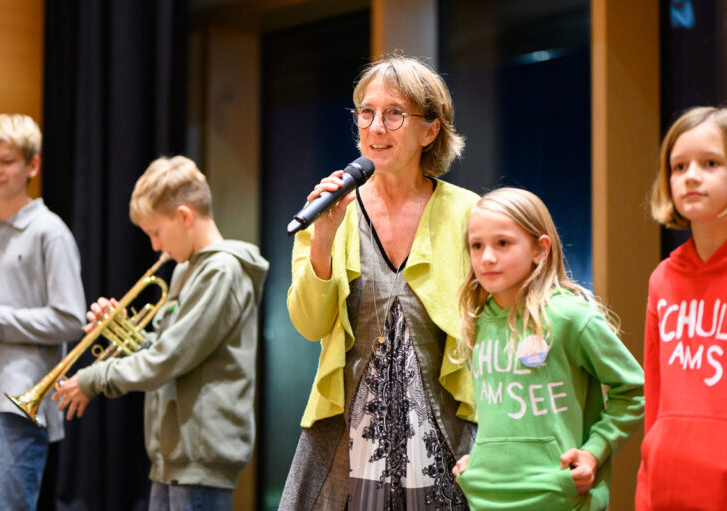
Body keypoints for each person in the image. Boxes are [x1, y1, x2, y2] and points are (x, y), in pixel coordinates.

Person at [280, 54, 478, 510]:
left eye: (394, 114)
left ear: (430, 130)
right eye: (366, 113)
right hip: (352, 441)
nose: (375, 127)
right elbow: (310, 325)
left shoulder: (468, 213)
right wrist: (324, 239)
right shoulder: (330, 209)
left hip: (445, 441)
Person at [52, 155, 268, 510]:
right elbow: (167, 346)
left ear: (184, 216)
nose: (154, 246)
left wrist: (93, 378)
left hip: (199, 457)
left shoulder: (222, 272)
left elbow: (168, 360)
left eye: (155, 232)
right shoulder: (186, 271)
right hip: (172, 456)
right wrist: (119, 331)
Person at [451, 187, 644, 510]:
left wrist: (594, 450)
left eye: (503, 243)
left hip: (559, 497)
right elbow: (499, 415)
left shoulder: (570, 316)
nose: (487, 257)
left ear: (540, 249)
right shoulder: (477, 322)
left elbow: (634, 390)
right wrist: (483, 459)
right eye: (476, 245)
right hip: (487, 499)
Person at [0, 113, 86, 510]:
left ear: (32, 165)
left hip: (17, 396)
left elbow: (68, 317)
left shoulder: (50, 232)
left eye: (6, 160)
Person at [636, 106, 727, 510]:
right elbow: (654, 397)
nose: (691, 176)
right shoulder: (662, 278)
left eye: (711, 163)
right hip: (668, 481)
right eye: (678, 166)